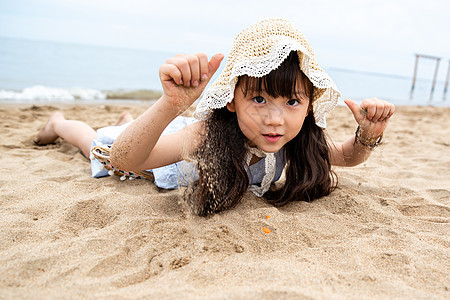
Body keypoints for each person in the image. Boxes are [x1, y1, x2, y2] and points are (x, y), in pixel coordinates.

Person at [36, 18, 395, 216]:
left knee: (130, 131)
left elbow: (348, 156)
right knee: (96, 142)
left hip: (159, 141)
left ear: (309, 104)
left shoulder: (296, 137)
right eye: (258, 98)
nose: (275, 119)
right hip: (149, 154)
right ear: (230, 100)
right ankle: (59, 123)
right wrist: (170, 105)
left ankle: (130, 117)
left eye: (291, 102)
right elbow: (125, 158)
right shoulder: (203, 134)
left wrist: (367, 134)